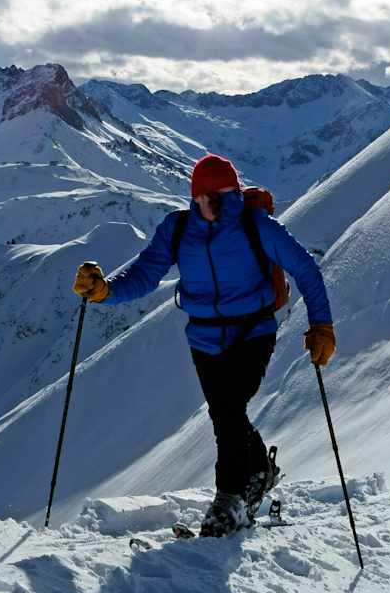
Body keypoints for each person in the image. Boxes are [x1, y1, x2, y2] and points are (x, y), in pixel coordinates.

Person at [72, 153, 336, 537]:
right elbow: (145, 274)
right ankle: (259, 470)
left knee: (227, 412)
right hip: (203, 338)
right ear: (193, 198)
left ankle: (227, 502)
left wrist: (321, 325)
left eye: (223, 196)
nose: (213, 205)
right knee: (224, 413)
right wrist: (104, 291)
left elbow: (305, 269)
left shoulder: (255, 225)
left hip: (253, 332)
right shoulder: (179, 230)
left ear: (236, 193)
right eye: (204, 198)